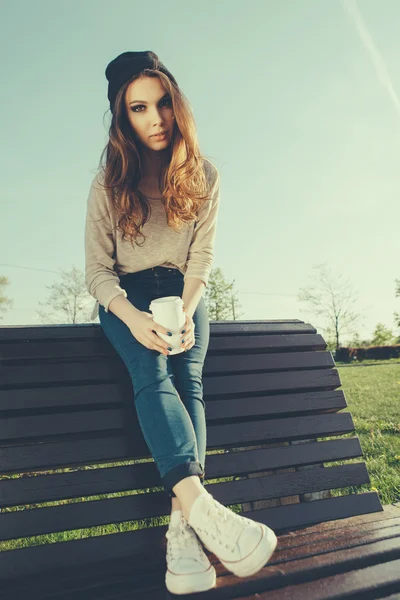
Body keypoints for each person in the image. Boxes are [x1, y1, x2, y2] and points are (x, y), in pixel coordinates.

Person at [84, 50, 277, 596]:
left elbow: (202, 259)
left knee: (189, 380)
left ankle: (184, 532)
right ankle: (206, 512)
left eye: (163, 102)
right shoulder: (108, 183)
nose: (155, 118)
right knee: (152, 372)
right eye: (139, 107)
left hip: (183, 293)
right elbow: (98, 273)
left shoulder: (205, 176)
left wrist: (187, 309)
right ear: (123, 117)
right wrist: (132, 317)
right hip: (126, 297)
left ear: (178, 103)